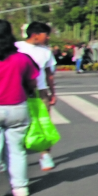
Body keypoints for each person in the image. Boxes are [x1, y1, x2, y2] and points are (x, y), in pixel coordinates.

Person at [0, 20, 40, 196]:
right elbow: (33, 82)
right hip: (16, 107)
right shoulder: (21, 58)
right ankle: (20, 187)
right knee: (16, 150)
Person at [15, 22, 58, 172]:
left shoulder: (46, 51)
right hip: (18, 91)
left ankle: (45, 155)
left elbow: (49, 74)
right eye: (46, 34)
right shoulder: (16, 47)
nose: (48, 37)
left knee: (44, 124)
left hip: (40, 91)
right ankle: (10, 156)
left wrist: (53, 92)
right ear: (35, 34)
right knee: (17, 126)